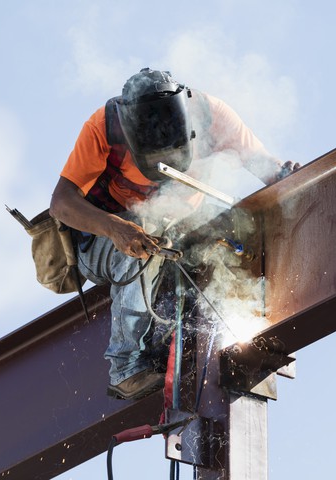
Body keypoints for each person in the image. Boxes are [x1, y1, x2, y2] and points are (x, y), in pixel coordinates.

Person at [50, 68, 298, 400]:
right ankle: (125, 367)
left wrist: (289, 178)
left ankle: (205, 331)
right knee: (142, 241)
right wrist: (115, 228)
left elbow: (266, 168)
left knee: (232, 229)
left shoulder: (213, 117)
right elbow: (61, 203)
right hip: (102, 242)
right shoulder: (104, 128)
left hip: (174, 234)